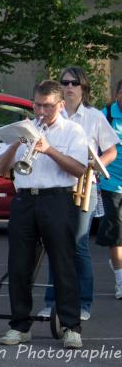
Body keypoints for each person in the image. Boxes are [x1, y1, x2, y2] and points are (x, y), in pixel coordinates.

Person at [0, 80, 86, 350]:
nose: (41, 111)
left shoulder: (73, 131)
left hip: (57, 199)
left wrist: (49, 150)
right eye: (37, 104)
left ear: (60, 105)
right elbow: (1, 168)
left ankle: (71, 327)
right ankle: (19, 326)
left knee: (63, 264)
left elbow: (79, 169)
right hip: (24, 200)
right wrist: (16, 144)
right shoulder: (26, 127)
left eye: (47, 106)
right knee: (19, 265)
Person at [36, 68, 116, 321]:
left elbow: (111, 150)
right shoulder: (52, 114)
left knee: (78, 245)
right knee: (54, 242)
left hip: (85, 188)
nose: (69, 86)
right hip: (56, 186)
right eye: (65, 83)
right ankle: (52, 302)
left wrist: (95, 167)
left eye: (74, 83)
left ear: (83, 88)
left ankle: (83, 303)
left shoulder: (94, 117)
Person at [97, 78, 122, 300]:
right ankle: (120, 280)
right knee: (117, 232)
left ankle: (118, 263)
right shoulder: (105, 115)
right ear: (117, 94)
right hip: (111, 183)